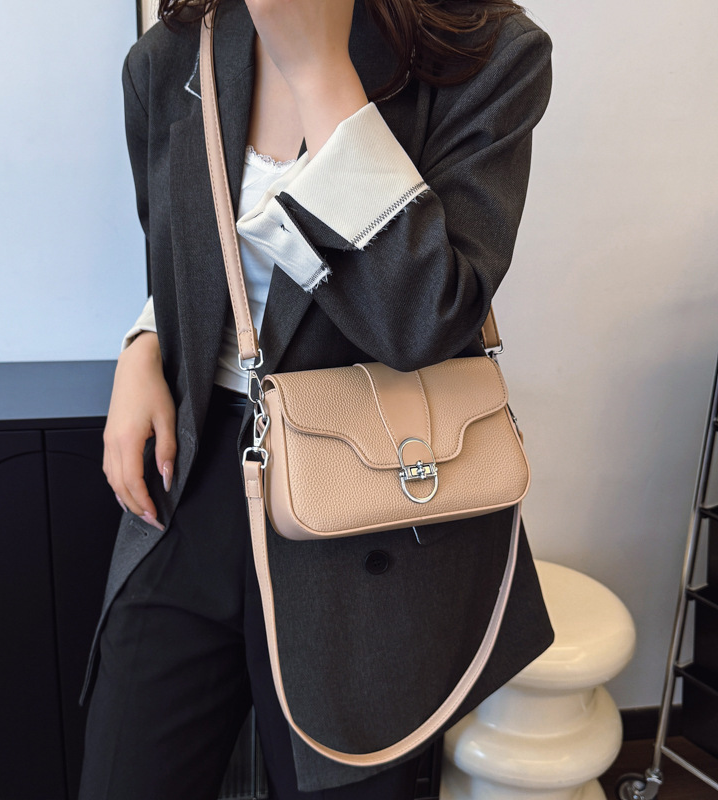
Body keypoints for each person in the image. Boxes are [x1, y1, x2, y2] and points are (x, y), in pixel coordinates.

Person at [78, 1, 555, 798]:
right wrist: (146, 343)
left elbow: (422, 320)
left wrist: (320, 74)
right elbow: (188, 256)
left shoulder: (487, 51)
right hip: (188, 481)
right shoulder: (174, 53)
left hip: (366, 507)